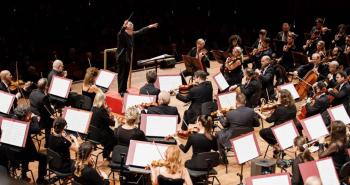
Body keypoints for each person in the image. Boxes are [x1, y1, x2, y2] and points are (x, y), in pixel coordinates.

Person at [115, 20, 158, 97]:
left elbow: (141, 31)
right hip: (121, 58)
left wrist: (150, 26)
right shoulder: (122, 34)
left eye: (132, 27)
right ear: (127, 28)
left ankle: (124, 89)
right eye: (130, 26)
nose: (132, 28)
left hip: (127, 58)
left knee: (126, 74)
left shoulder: (132, 34)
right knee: (121, 75)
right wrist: (123, 25)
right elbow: (120, 32)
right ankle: (120, 90)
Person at [10, 105, 47, 184]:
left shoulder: (12, 119)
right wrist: (34, 118)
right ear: (24, 115)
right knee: (43, 157)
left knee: (24, 153)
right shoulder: (24, 126)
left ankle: (23, 175)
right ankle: (40, 180)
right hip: (23, 154)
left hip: (11, 153)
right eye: (29, 113)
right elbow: (37, 129)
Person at [256, 89, 297, 157]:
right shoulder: (293, 106)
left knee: (262, 132)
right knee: (269, 129)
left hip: (279, 131)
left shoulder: (280, 109)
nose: (276, 97)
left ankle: (276, 147)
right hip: (289, 130)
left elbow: (269, 120)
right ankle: (277, 147)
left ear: (282, 99)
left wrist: (259, 113)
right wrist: (275, 109)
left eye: (278, 96)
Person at [88, 92, 116, 159]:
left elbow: (102, 120)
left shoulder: (92, 108)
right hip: (100, 135)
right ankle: (106, 154)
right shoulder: (101, 110)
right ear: (102, 100)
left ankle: (106, 151)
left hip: (92, 133)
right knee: (115, 137)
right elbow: (112, 123)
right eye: (104, 100)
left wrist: (107, 113)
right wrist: (114, 119)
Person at [29, 78, 54, 148]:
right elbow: (50, 111)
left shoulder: (33, 92)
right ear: (46, 87)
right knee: (50, 121)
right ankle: (47, 143)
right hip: (41, 121)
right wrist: (53, 108)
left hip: (33, 116)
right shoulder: (44, 97)